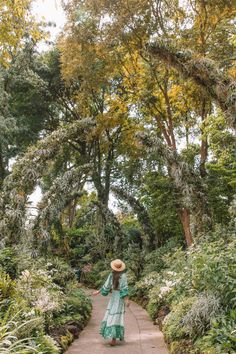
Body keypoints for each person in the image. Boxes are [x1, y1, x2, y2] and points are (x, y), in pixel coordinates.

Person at [92, 259, 129, 346]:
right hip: (118, 298)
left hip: (115, 297)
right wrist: (127, 300)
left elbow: (106, 286)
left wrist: (98, 291)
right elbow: (124, 289)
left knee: (112, 315)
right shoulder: (122, 276)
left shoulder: (112, 274)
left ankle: (113, 339)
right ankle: (114, 338)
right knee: (116, 316)